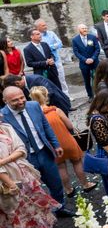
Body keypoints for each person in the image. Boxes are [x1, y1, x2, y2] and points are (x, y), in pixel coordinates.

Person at [0, 86, 73, 217]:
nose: (21, 101)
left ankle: (59, 208)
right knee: (33, 191)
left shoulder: (33, 106)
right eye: (15, 100)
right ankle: (43, 219)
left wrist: (56, 145)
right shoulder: (2, 116)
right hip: (23, 159)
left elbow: (46, 126)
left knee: (56, 184)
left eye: (22, 97)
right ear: (5, 101)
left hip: (44, 151)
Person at [0, 122, 58, 228]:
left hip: (23, 172)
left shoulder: (7, 127)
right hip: (5, 180)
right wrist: (10, 184)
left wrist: (4, 161)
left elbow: (21, 148)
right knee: (14, 213)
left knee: (34, 203)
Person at [30, 86, 96, 197]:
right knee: (77, 162)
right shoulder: (56, 110)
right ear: (46, 96)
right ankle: (86, 184)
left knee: (61, 167)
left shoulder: (34, 116)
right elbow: (70, 126)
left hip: (53, 146)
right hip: (67, 141)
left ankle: (68, 189)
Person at [3, 74, 71, 116]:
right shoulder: (24, 87)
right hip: (47, 111)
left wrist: (40, 107)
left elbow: (49, 92)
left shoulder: (36, 79)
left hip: (58, 105)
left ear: (17, 83)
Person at [35, 19, 68, 95]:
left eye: (45, 24)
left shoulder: (51, 33)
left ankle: (66, 96)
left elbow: (60, 43)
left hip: (56, 60)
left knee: (62, 79)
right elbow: (41, 48)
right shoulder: (37, 36)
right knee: (50, 81)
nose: (45, 26)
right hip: (47, 63)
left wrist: (49, 47)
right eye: (43, 25)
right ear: (38, 27)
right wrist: (53, 46)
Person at [72, 24, 100, 99]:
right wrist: (85, 60)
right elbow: (76, 52)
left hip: (94, 62)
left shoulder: (92, 37)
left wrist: (93, 58)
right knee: (87, 81)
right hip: (84, 64)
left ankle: (100, 94)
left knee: (98, 78)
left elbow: (97, 49)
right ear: (79, 30)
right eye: (83, 28)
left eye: (86, 28)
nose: (85, 30)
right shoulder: (75, 40)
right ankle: (90, 96)